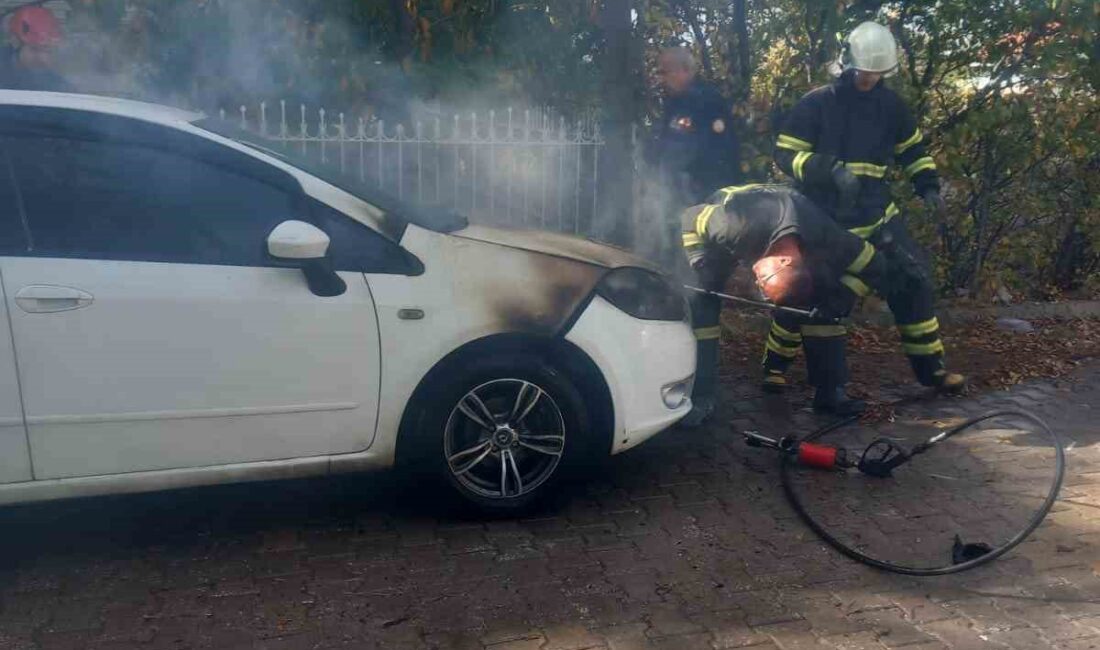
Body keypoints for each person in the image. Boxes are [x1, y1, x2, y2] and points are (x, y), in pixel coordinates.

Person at [766, 21, 965, 397]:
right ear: (846, 64)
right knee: (810, 297)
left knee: (912, 281)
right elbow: (785, 153)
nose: (869, 80)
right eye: (864, 72)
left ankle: (933, 370)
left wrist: (928, 185)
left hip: (876, 215)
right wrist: (827, 169)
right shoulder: (816, 103)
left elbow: (913, 151)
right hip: (824, 219)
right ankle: (779, 366)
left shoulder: (892, 107)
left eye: (877, 73)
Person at [682, 184, 891, 415]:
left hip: (781, 237)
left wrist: (841, 299)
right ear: (783, 261)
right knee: (703, 304)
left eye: (762, 280)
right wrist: (699, 260)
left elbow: (876, 266)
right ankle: (699, 393)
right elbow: (689, 217)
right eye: (763, 279)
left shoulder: (830, 240)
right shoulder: (735, 223)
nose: (757, 282)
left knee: (827, 300)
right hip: (717, 240)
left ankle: (830, 394)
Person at [651, 46, 743, 427]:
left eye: (665, 72)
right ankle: (685, 386)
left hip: (704, 219)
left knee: (702, 302)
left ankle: (702, 396)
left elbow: (694, 161)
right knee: (687, 303)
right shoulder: (682, 105)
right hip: (688, 216)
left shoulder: (702, 104)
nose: (660, 79)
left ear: (685, 71)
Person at [0, 5, 71, 92]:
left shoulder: (57, 84)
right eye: (35, 50)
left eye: (48, 51)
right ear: (15, 42)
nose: (43, 59)